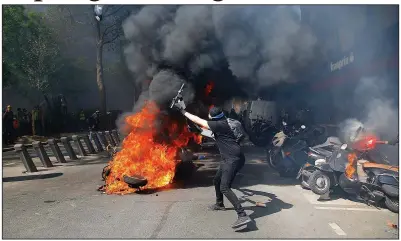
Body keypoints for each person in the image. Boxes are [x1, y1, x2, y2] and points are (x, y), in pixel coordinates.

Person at [174, 103, 252, 228]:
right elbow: (212, 134)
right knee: (217, 180)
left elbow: (198, 120)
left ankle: (242, 215)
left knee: (225, 187)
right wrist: (198, 130)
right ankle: (219, 204)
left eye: (210, 116)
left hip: (232, 159)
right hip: (231, 157)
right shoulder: (224, 123)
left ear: (213, 118)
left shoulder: (219, 124)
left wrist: (183, 111)